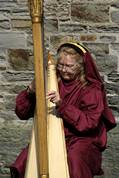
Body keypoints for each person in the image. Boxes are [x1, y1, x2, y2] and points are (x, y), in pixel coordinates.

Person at [10, 42, 116, 178]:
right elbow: (22, 113)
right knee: (26, 158)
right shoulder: (52, 82)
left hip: (82, 139)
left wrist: (62, 104)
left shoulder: (91, 89)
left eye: (69, 66)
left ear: (80, 66)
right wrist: (30, 91)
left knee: (74, 158)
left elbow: (89, 123)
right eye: (60, 65)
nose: (64, 69)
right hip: (53, 135)